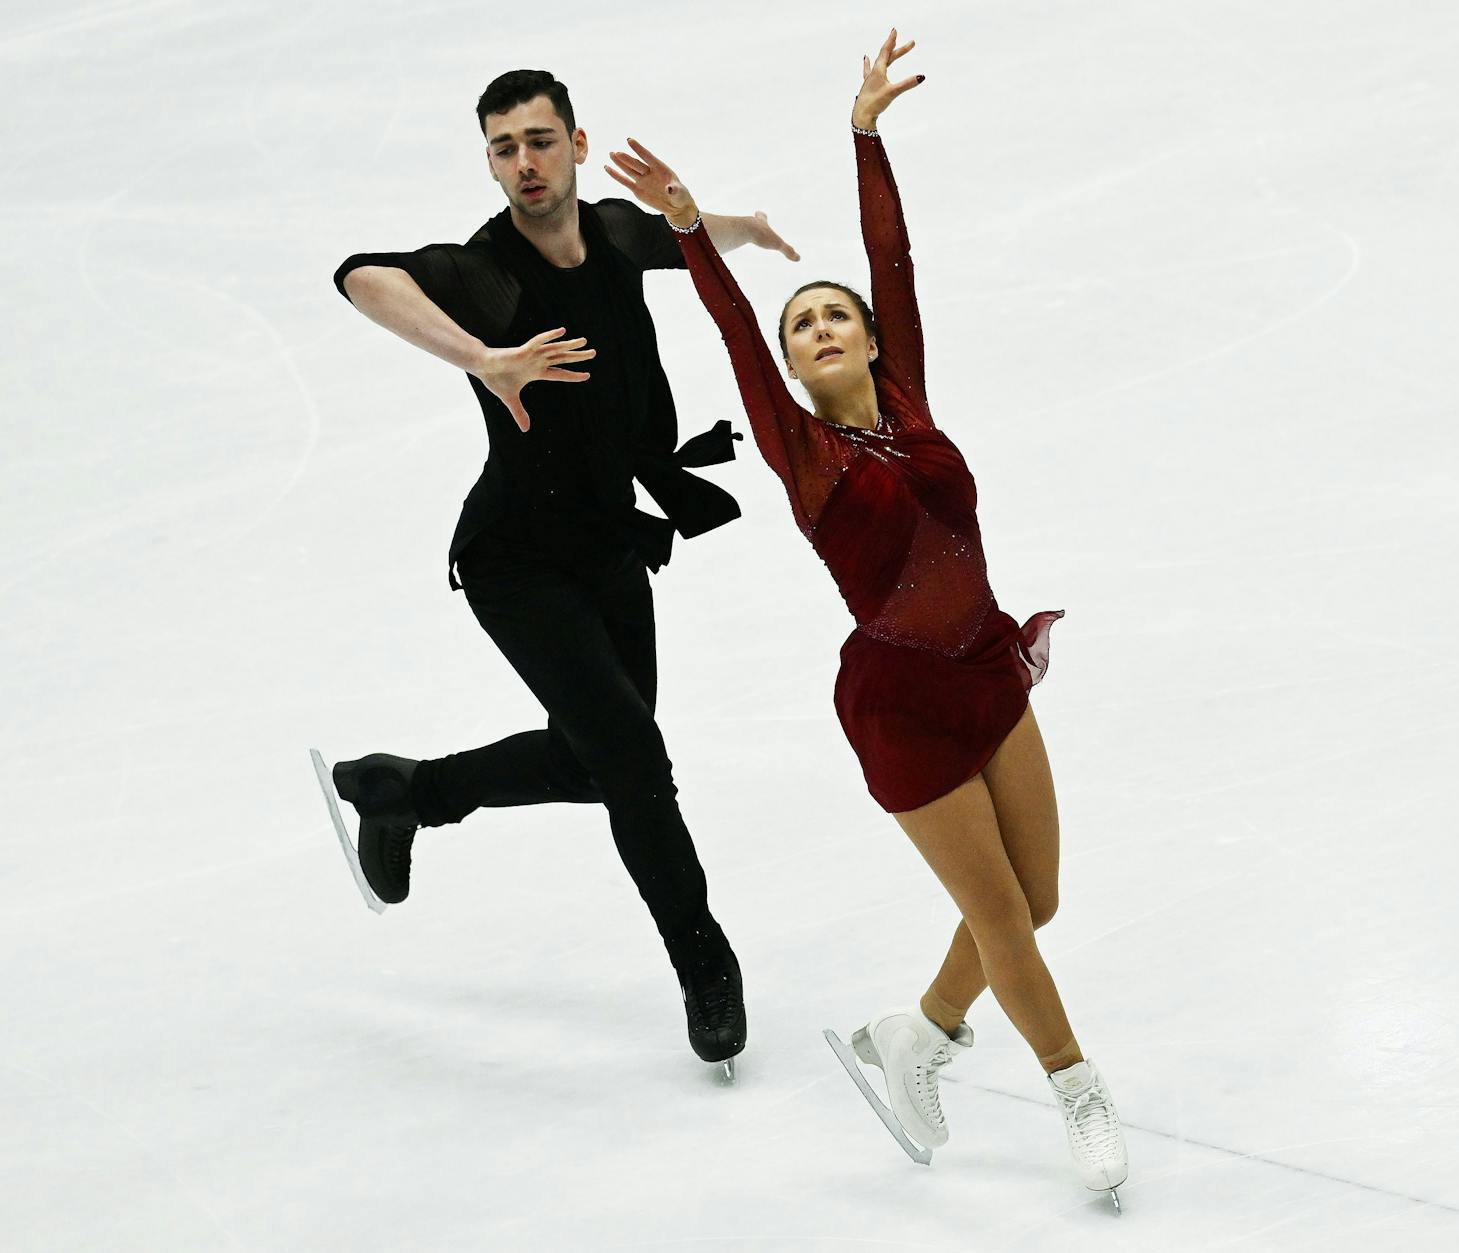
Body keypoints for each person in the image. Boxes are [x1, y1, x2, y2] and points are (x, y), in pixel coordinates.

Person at [605, 31, 1129, 1195]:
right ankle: (1079, 1093)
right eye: (804, 325)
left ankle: (920, 1033)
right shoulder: (802, 450)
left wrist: (864, 134)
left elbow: (892, 259)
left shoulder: (908, 393)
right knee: (1001, 912)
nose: (821, 325)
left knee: (1033, 900)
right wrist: (691, 229)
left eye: (836, 313)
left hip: (988, 667)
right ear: (790, 367)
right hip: (899, 702)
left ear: (873, 338)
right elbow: (733, 327)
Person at [323, 69, 799, 1073]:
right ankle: (703, 962)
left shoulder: (616, 231)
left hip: (608, 545)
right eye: (503, 147)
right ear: (488, 160)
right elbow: (363, 275)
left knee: (597, 760)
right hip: (516, 560)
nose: (524, 164)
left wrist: (733, 225)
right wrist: (479, 359)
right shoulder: (488, 275)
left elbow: (674, 237)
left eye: (540, 141)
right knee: (634, 759)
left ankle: (408, 790)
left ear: (577, 144)